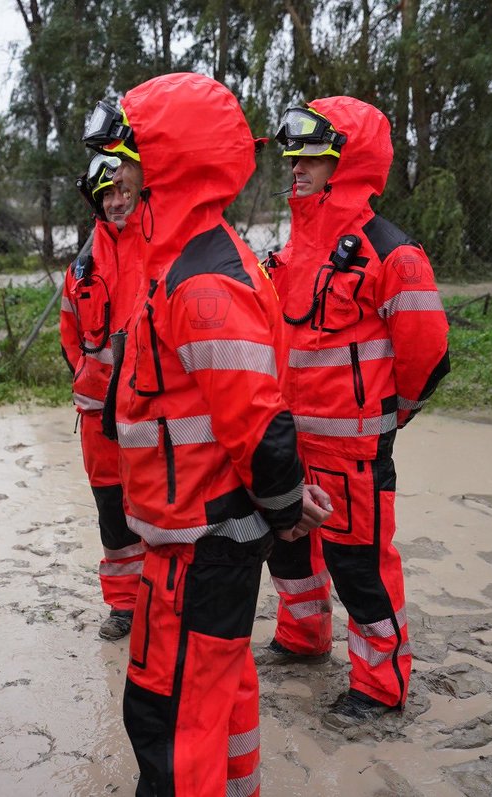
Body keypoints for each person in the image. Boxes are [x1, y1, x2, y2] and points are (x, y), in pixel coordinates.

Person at [83, 74, 332, 797]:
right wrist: (282, 505)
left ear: (168, 161)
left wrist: (285, 507)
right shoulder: (186, 259)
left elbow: (259, 421)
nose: (120, 176)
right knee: (214, 692)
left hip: (203, 543)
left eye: (128, 157)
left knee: (170, 712)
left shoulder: (201, 280)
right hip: (196, 536)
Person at [262, 98, 450, 730]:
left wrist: (388, 417)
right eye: (292, 156)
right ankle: (302, 637)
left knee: (359, 567)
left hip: (355, 454)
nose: (295, 167)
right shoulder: (291, 251)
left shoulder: (392, 252)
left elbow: (428, 356)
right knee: (288, 549)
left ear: (347, 160)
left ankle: (380, 681)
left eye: (309, 156)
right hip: (292, 444)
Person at [61, 153, 145, 641]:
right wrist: (88, 378)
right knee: (112, 514)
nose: (115, 202)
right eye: (106, 195)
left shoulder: (163, 251)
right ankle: (123, 605)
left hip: (154, 415)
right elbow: (69, 335)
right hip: (98, 418)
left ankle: (160, 602)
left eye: (123, 192)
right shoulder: (82, 267)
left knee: (157, 511)